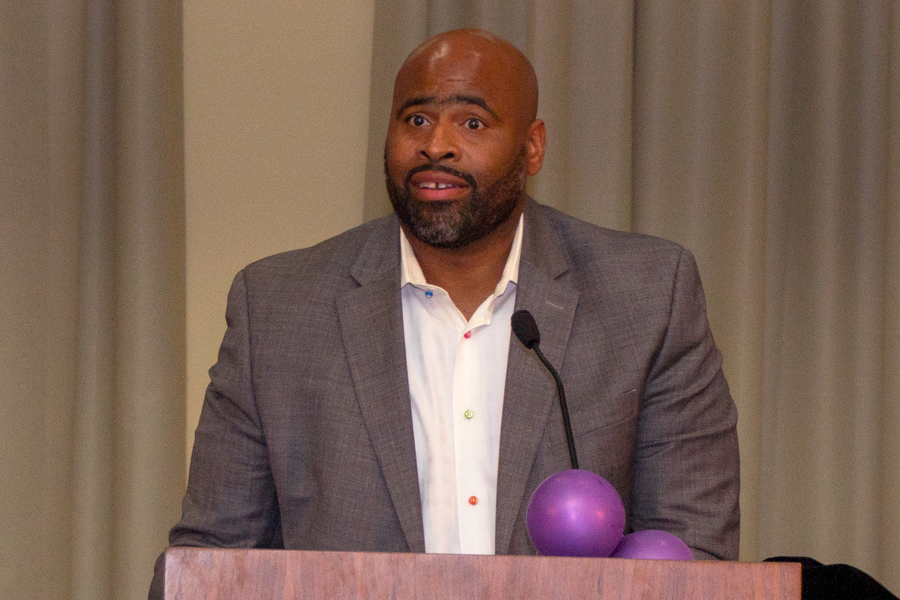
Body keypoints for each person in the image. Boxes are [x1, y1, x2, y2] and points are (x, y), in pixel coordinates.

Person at [150, 28, 739, 597]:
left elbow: (694, 553)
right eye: (417, 120)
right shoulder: (277, 307)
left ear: (532, 146)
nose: (436, 145)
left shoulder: (648, 295)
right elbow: (211, 563)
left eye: (473, 122)